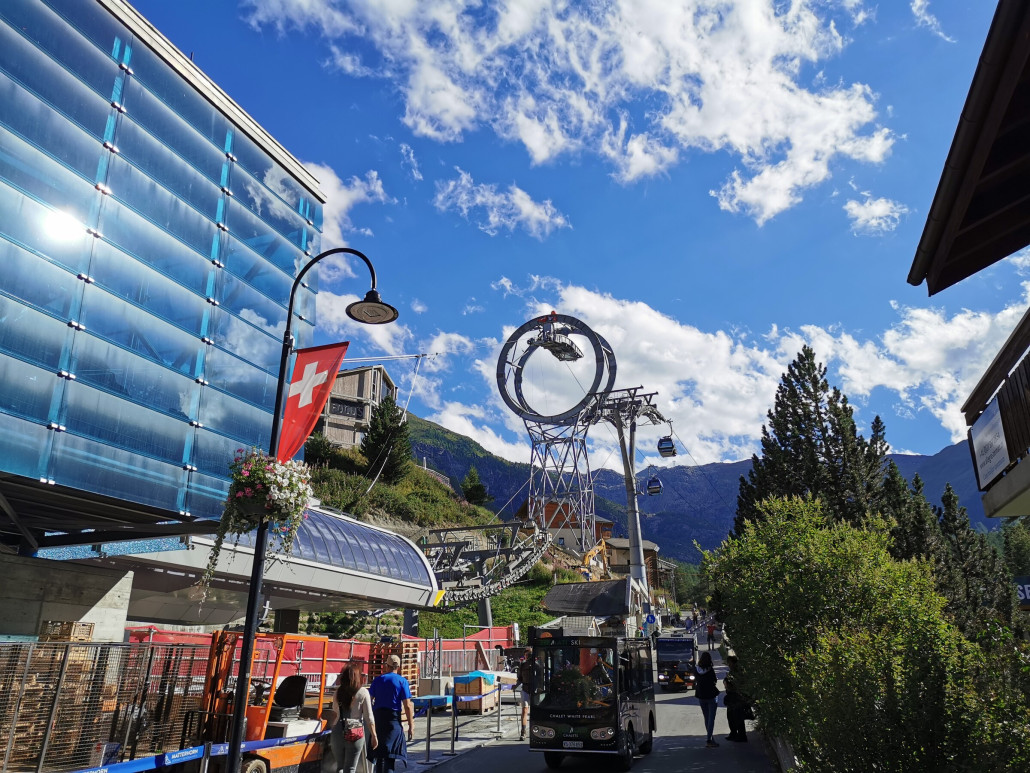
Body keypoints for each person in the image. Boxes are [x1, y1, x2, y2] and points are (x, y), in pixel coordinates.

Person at [368, 654, 414, 773]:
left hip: (378, 719)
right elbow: (407, 705)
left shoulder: (378, 680)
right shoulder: (402, 681)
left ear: (386, 666)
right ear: (398, 667)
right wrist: (411, 726)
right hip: (393, 720)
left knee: (379, 755)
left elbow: (369, 701)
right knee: (390, 756)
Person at [331, 663, 378, 773]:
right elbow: (369, 717)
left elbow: (335, 712)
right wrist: (374, 735)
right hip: (354, 731)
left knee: (340, 767)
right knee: (350, 768)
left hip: (338, 730)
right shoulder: (363, 692)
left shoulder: (337, 692)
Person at [695, 650, 720, 748]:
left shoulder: (696, 669)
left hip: (701, 696)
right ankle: (709, 739)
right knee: (711, 718)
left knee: (706, 718)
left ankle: (710, 738)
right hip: (711, 696)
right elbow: (714, 680)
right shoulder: (710, 670)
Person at [515, 647, 537, 740]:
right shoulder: (522, 665)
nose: (527, 656)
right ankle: (523, 732)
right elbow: (520, 678)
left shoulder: (537, 665)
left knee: (536, 711)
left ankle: (536, 731)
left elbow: (540, 677)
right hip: (525, 689)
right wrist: (515, 686)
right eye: (526, 654)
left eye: (529, 654)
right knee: (524, 710)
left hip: (535, 690)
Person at [723, 676, 748, 742]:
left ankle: (741, 736)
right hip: (733, 700)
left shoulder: (736, 674)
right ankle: (734, 734)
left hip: (736, 700)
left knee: (738, 719)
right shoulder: (731, 675)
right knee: (731, 719)